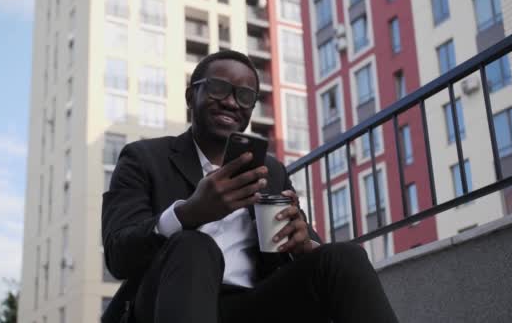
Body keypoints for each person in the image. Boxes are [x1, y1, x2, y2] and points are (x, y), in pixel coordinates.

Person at [101, 50, 397, 323]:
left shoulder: (271, 171)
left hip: (252, 306)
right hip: (168, 303)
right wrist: (188, 213)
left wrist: (304, 244)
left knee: (344, 256)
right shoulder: (143, 158)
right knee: (194, 246)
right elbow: (118, 255)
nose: (231, 102)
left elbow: (304, 245)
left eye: (245, 96)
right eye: (218, 88)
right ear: (192, 95)